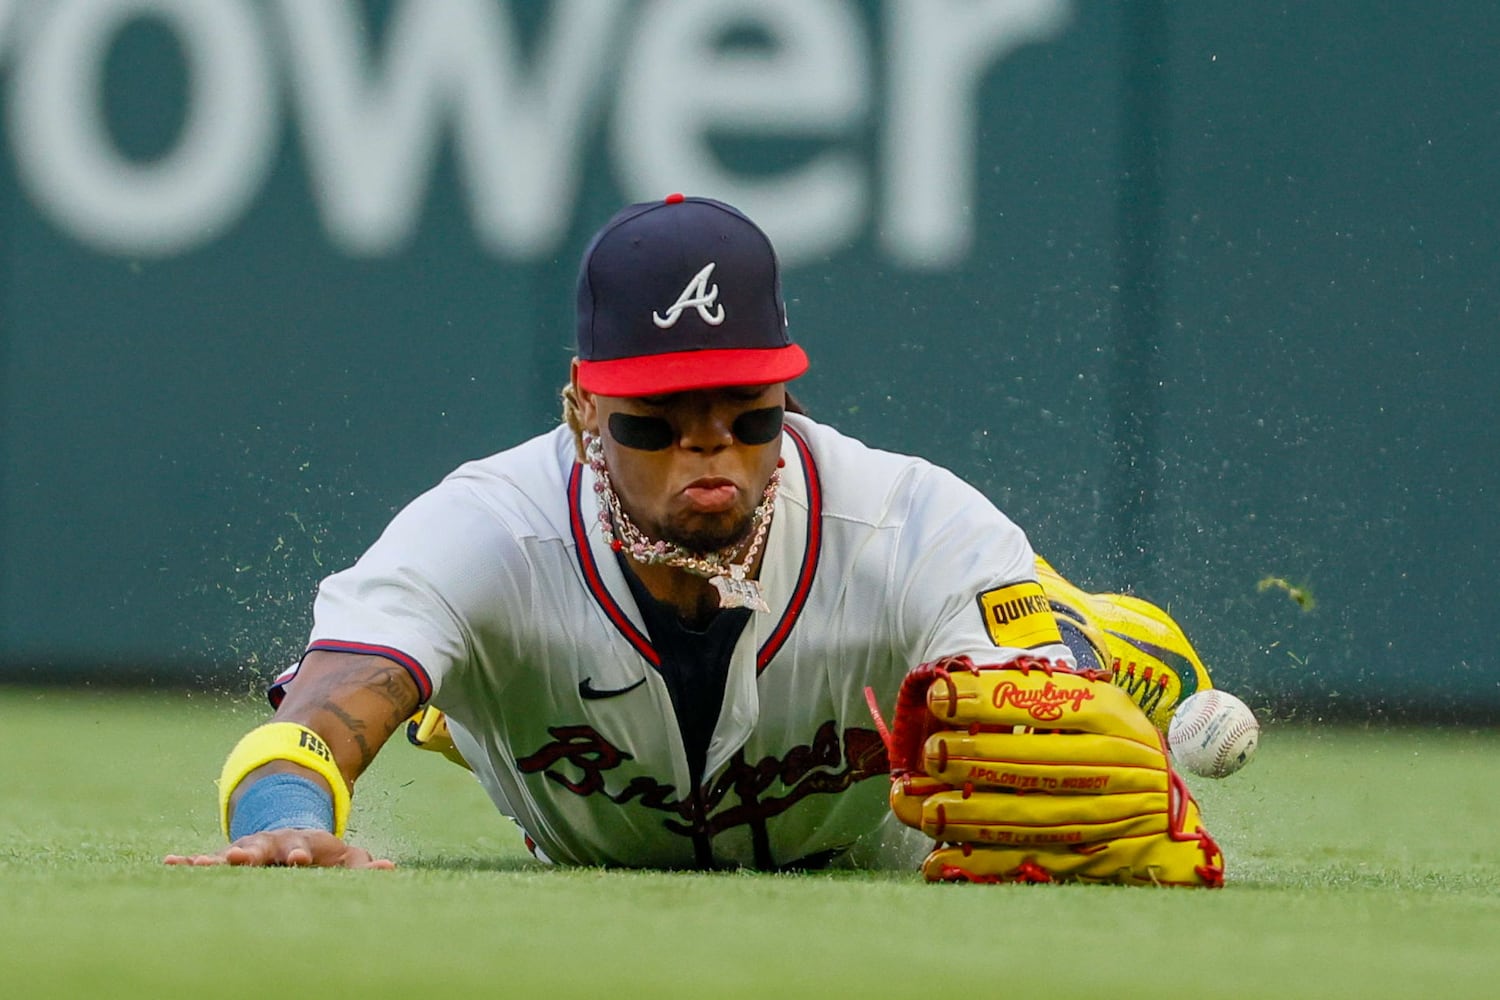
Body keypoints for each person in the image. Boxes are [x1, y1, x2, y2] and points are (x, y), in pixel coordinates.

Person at [166, 194, 1222, 884]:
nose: (707, 450)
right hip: (564, 722)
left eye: (746, 413)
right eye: (655, 421)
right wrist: (283, 819)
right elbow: (312, 723)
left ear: (786, 391)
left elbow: (1056, 747)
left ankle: (1106, 633)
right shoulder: (487, 531)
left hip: (862, 826)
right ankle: (466, 707)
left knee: (1084, 680)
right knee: (459, 688)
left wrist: (1077, 714)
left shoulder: (911, 523)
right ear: (583, 409)